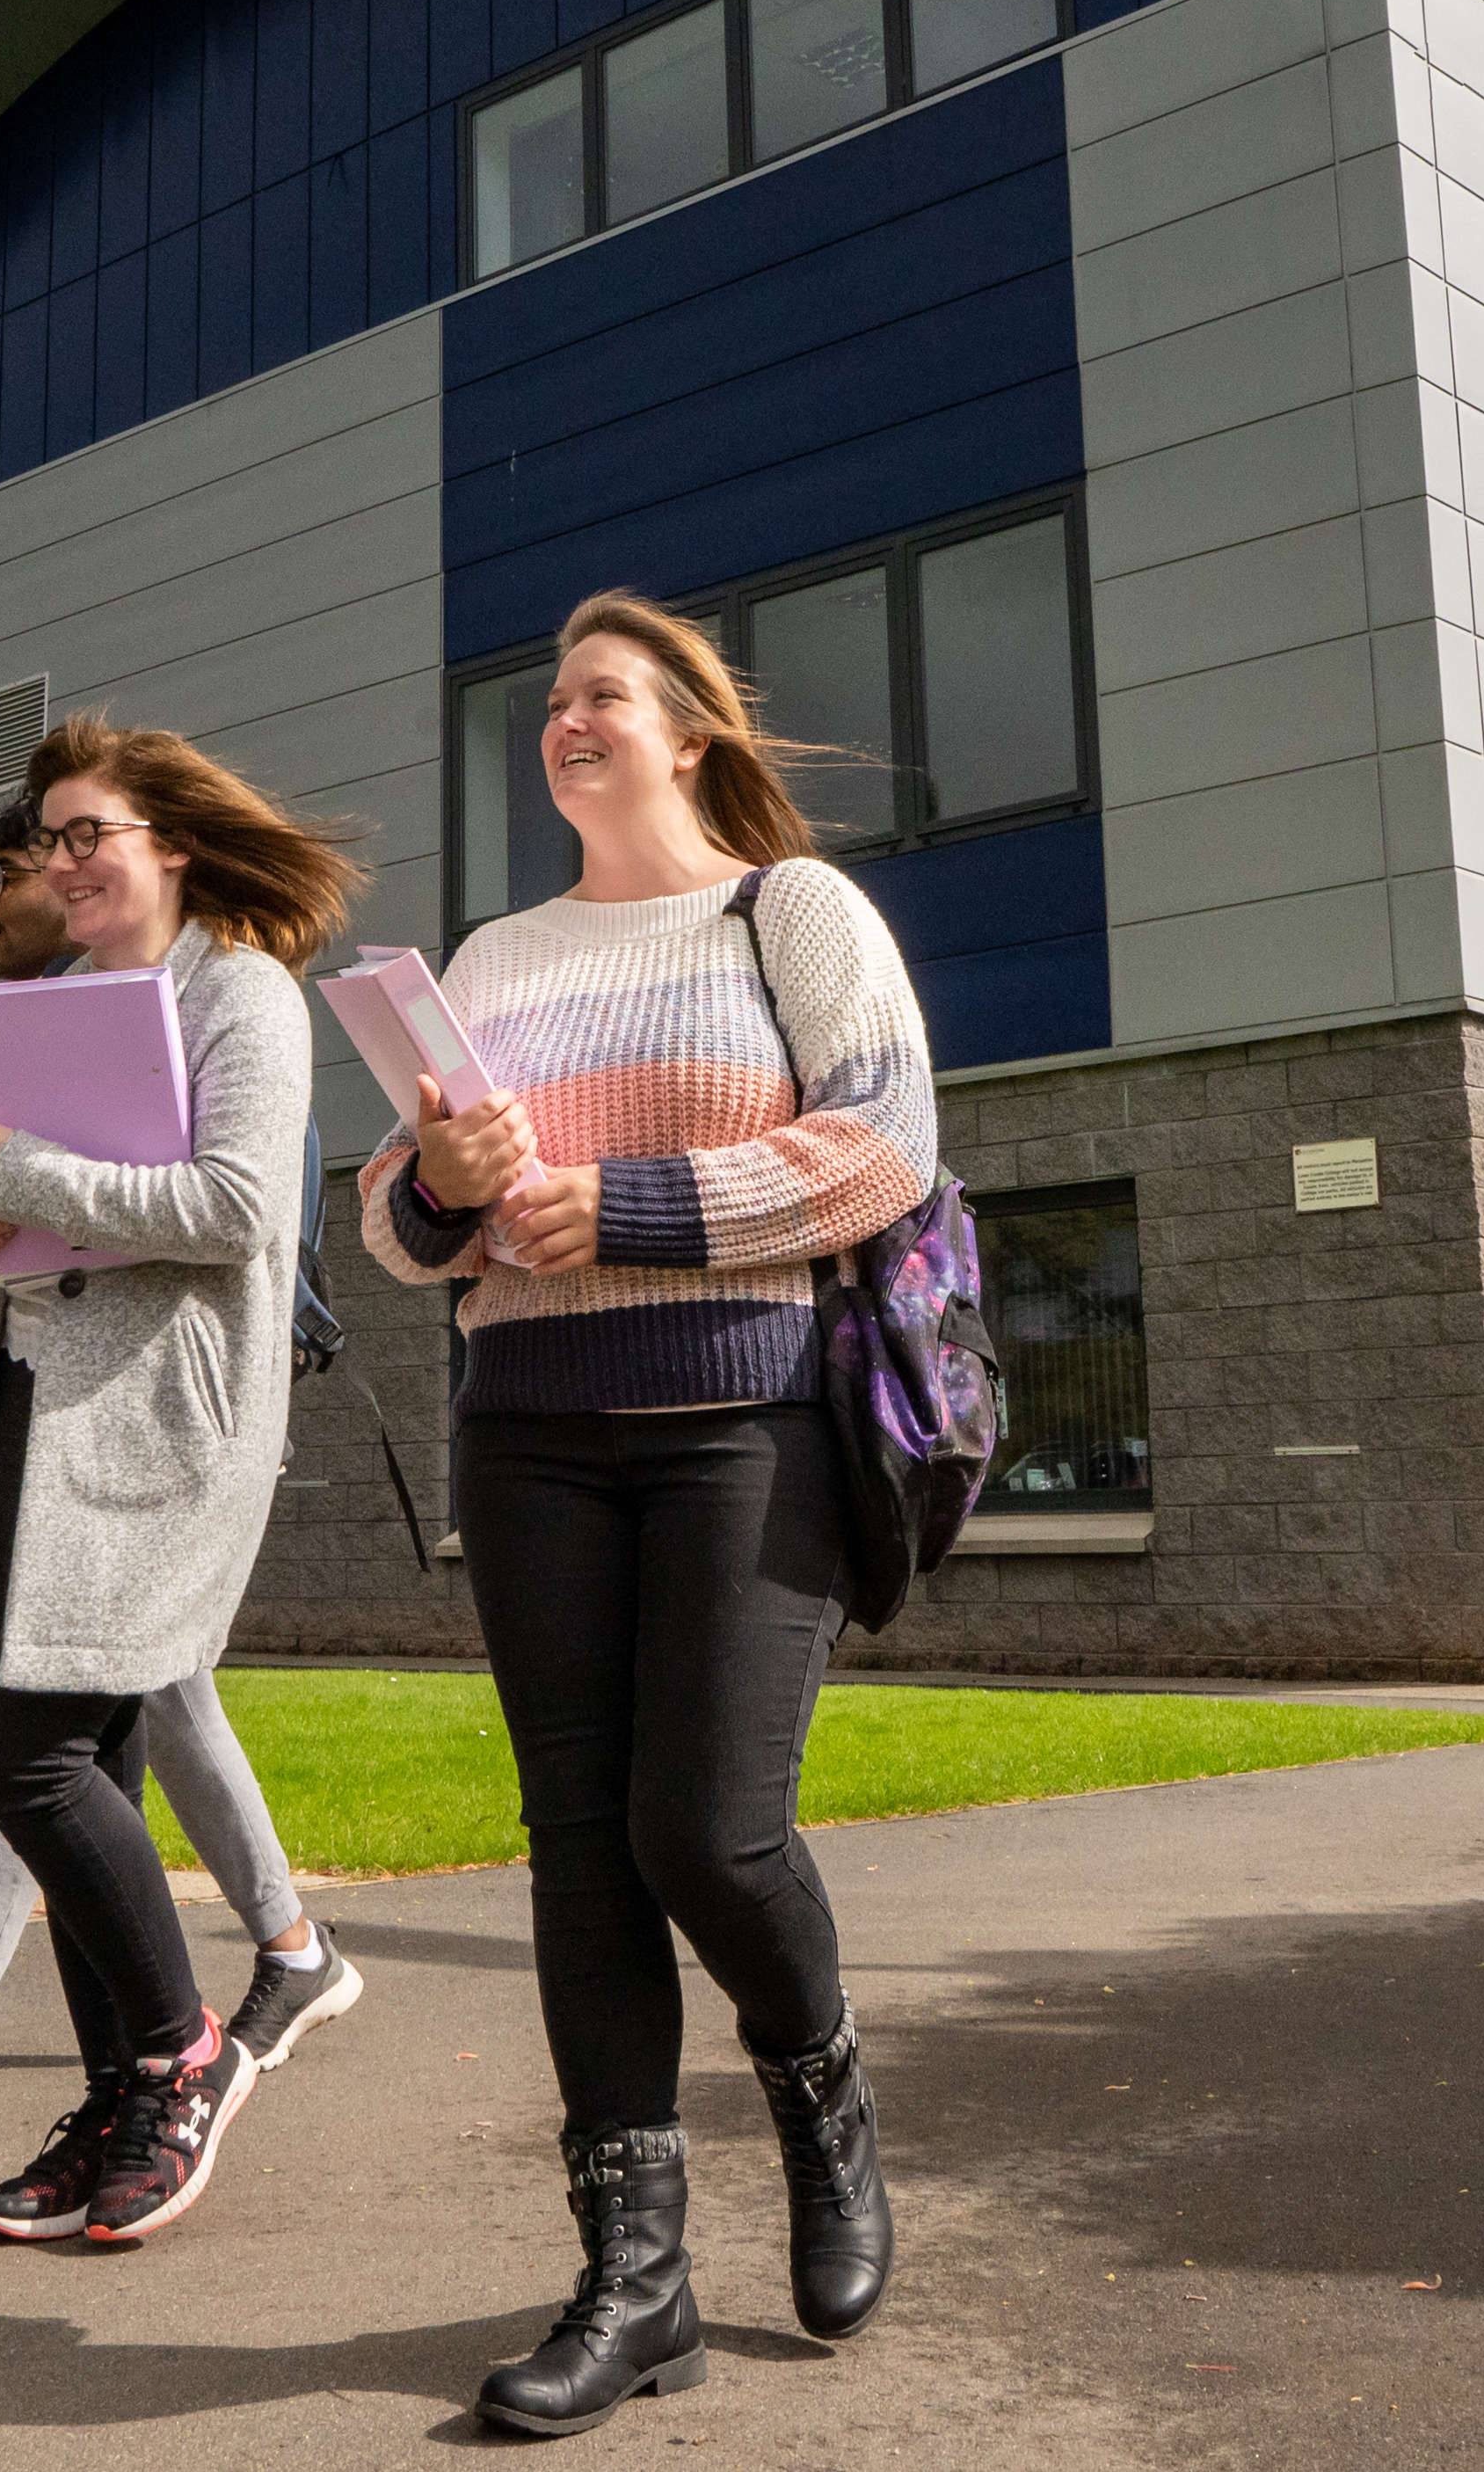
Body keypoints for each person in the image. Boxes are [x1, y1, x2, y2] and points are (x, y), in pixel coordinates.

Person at [360, 593, 936, 2434]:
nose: (562, 719)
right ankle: (639, 2278)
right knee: (582, 1845)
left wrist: (624, 1207)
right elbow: (390, 1223)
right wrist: (443, 1182)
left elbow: (882, 1145)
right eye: (550, 700)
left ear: (688, 731)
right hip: (527, 1431)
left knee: (710, 1830)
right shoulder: (498, 953)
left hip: (741, 1425)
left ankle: (821, 2085)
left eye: (600, 692)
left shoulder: (796, 911)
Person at [0, 795, 362, 2167]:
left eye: (78, 835)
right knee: (94, 1743)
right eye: (37, 848)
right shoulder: (54, 1003)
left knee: (32, 1752)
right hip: (29, 1401)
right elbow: (20, 1227)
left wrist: (37, 1175)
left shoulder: (240, 990)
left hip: (157, 1421)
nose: (49, 869)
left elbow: (239, 1208)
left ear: (172, 840)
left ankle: (167, 2058)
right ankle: (123, 2095)